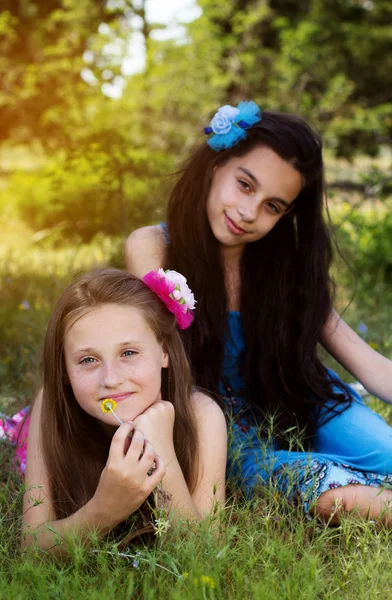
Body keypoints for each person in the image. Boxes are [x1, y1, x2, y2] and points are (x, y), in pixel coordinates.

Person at [124, 101, 392, 524]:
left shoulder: (284, 269)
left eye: (273, 206)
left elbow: (370, 364)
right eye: (245, 185)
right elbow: (145, 347)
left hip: (302, 398)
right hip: (217, 425)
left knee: (389, 453)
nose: (249, 213)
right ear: (216, 165)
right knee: (333, 494)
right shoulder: (154, 247)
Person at [18, 268, 226, 555]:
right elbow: (31, 549)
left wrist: (161, 448)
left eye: (128, 353)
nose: (111, 379)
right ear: (64, 370)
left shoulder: (203, 415)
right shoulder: (52, 405)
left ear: (163, 351)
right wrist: (105, 508)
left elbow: (203, 556)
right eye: (88, 359)